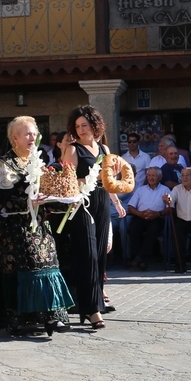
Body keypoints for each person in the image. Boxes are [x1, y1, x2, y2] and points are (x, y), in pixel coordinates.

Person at [0, 115, 75, 336]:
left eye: (34, 133)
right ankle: (19, 319)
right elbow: (3, 199)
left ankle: (53, 316)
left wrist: (66, 199)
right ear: (15, 138)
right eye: (27, 134)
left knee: (49, 265)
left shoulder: (38, 161)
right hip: (16, 227)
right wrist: (28, 201)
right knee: (24, 269)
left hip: (41, 226)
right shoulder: (4, 164)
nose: (32, 137)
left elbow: (50, 196)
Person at [57, 105, 122, 329]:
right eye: (77, 126)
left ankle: (92, 305)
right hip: (81, 205)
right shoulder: (73, 150)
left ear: (95, 125)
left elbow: (109, 180)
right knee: (88, 256)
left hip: (102, 203)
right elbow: (67, 182)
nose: (82, 130)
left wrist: (116, 202)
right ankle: (92, 309)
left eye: (85, 125)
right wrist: (83, 182)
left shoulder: (104, 148)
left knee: (101, 256)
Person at [126, 167, 170, 271]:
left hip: (157, 217)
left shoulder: (165, 190)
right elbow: (130, 207)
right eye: (149, 175)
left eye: (153, 175)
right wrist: (140, 214)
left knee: (153, 230)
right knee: (134, 229)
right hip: (140, 216)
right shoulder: (141, 189)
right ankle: (139, 259)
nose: (151, 178)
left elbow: (170, 209)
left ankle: (140, 258)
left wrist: (158, 213)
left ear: (160, 177)